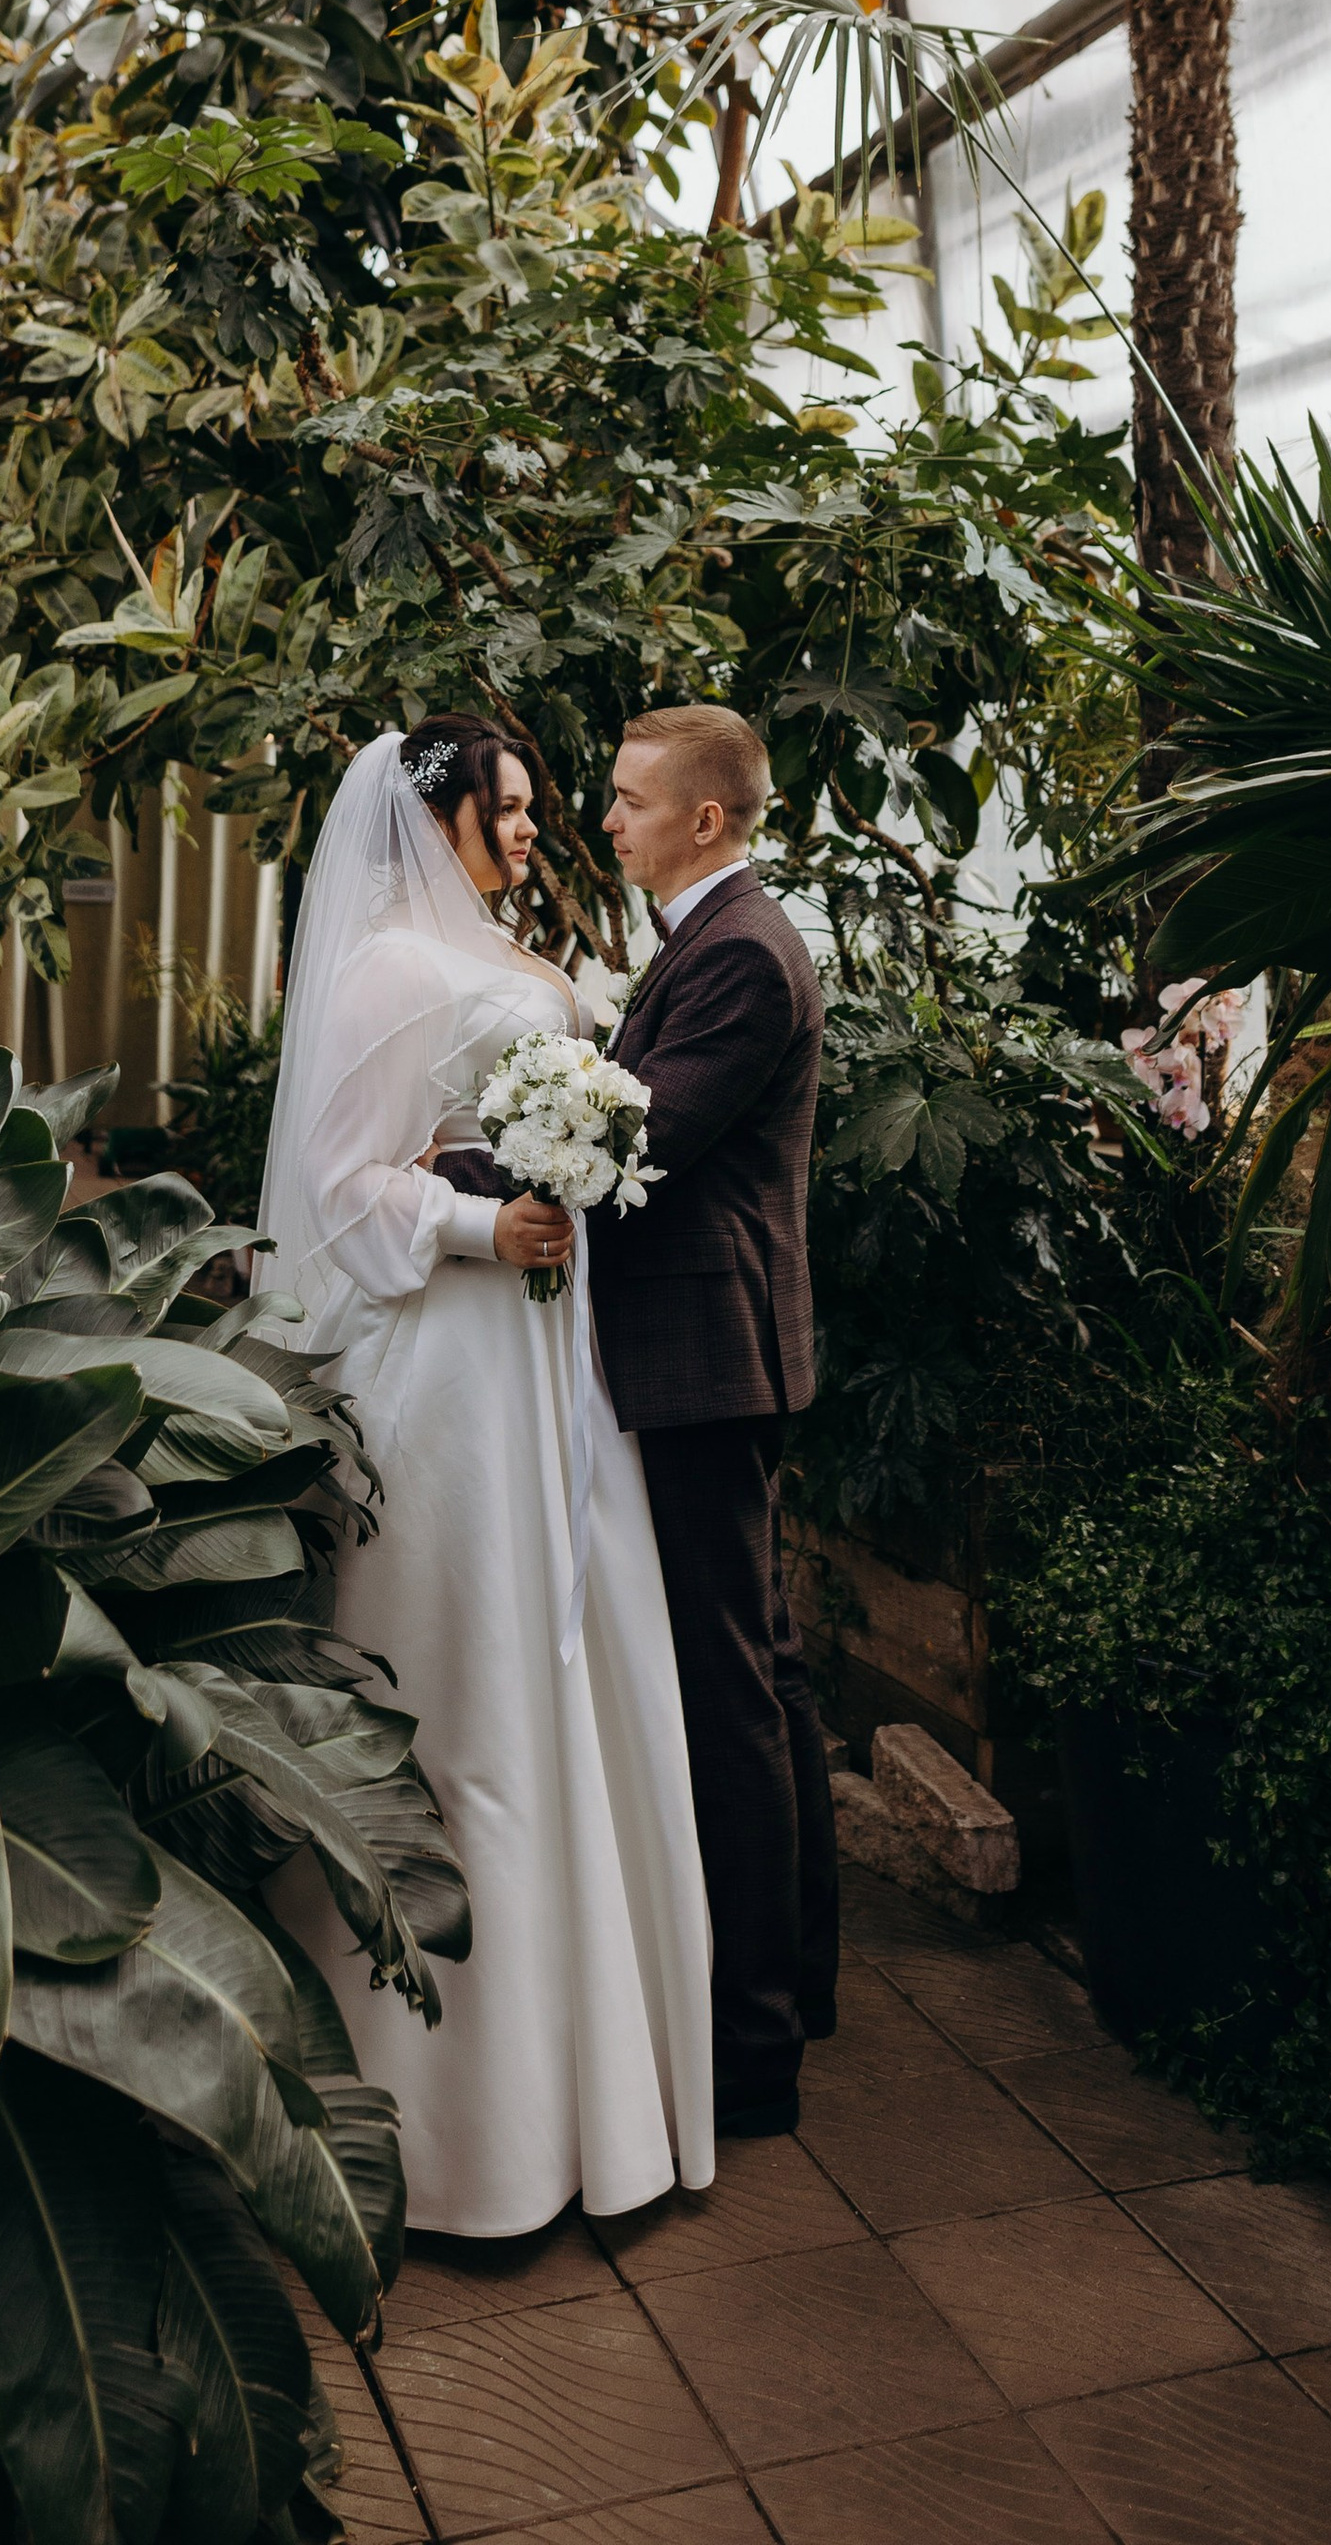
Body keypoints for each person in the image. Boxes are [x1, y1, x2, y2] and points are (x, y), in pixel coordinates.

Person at [256, 717, 714, 2237]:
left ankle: (585, 2108)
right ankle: (458, 2136)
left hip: (546, 1376)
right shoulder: (387, 964)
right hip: (452, 1374)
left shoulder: (500, 944)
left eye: (531, 808)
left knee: (573, 1687)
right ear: (435, 813)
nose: (529, 831)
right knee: (475, 1703)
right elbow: (337, 1184)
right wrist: (478, 1228)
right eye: (506, 810)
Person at [597, 704, 838, 2137]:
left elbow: (641, 1131)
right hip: (716, 1351)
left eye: (630, 801)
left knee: (729, 1691)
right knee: (771, 1674)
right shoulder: (714, 938)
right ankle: (795, 1984)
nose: (608, 819)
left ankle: (753, 2049)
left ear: (704, 818)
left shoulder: (741, 950)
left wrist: (459, 1158)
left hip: (705, 1352)